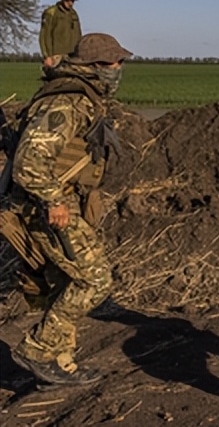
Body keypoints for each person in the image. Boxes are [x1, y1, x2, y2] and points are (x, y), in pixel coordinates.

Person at [0, 33, 131, 387]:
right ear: (95, 67)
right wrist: (55, 199)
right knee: (95, 279)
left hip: (51, 202)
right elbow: (29, 163)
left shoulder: (82, 98)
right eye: (114, 63)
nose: (119, 70)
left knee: (64, 282)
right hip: (45, 207)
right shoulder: (67, 102)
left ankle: (58, 366)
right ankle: (37, 350)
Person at [39, 0, 82, 66]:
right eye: (68, 0)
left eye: (72, 1)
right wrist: (47, 56)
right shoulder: (51, 13)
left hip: (73, 56)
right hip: (55, 56)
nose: (70, 3)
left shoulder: (73, 13)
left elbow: (78, 34)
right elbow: (44, 36)